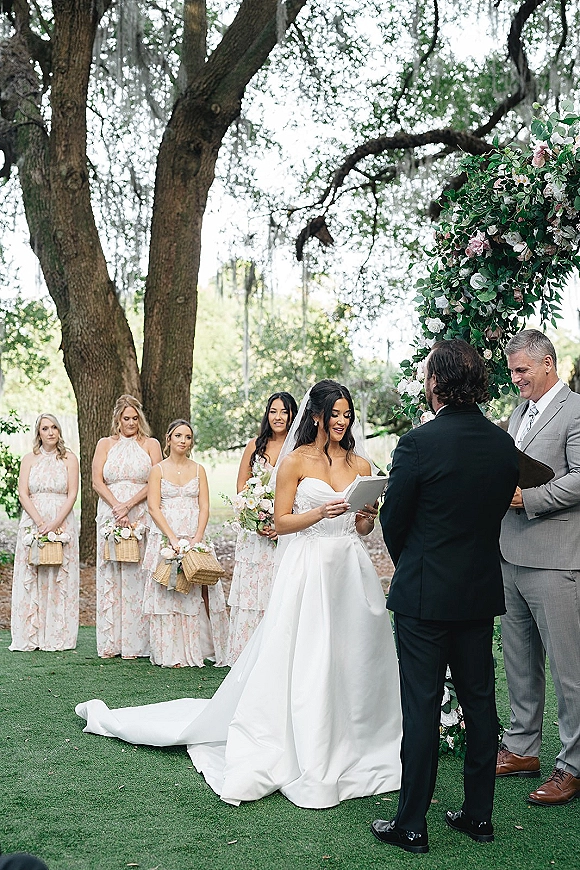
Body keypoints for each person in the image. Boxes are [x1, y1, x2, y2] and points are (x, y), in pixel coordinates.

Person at [76, 379, 402, 809]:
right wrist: (318, 512)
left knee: (354, 655)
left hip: (350, 570)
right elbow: (281, 522)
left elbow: (362, 529)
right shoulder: (296, 462)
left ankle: (358, 739)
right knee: (310, 656)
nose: (342, 421)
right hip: (308, 569)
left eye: (347, 414)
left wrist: (366, 515)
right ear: (318, 416)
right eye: (335, 414)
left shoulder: (361, 465)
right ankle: (308, 742)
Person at [373, 339, 519, 854]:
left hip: (423, 596)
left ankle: (412, 824)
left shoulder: (417, 444)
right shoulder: (504, 446)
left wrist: (414, 563)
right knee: (481, 706)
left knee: (421, 705)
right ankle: (479, 816)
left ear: (436, 381)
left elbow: (394, 522)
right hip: (478, 594)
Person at [496, 329, 580, 806]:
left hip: (557, 558)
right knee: (519, 662)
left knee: (570, 670)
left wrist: (530, 499)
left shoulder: (576, 409)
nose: (516, 379)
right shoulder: (517, 412)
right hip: (511, 554)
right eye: (512, 371)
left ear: (548, 364)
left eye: (522, 370)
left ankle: (572, 766)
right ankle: (523, 748)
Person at [142, 419, 228, 667]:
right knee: (168, 590)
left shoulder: (199, 470)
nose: (183, 441)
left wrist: (197, 538)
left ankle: (199, 649)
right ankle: (170, 652)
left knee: (195, 589)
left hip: (193, 535)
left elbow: (204, 506)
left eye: (188, 437)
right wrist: (172, 538)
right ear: (168, 439)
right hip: (166, 536)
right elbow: (153, 507)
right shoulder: (157, 470)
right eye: (178, 436)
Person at [227, 391, 298, 664]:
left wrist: (280, 524)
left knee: (276, 590)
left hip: (285, 531)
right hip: (254, 534)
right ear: (267, 415)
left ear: (293, 415)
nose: (278, 417)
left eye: (284, 411)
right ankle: (245, 657)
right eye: (273, 411)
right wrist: (255, 517)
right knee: (252, 593)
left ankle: (273, 659)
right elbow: (241, 488)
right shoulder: (254, 445)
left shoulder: (299, 449)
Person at [92, 395, 162, 658]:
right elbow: (98, 481)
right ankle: (112, 642)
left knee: (138, 574)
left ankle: (137, 643)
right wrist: (117, 506)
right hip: (111, 511)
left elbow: (156, 479)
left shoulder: (150, 444)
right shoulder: (105, 444)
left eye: (134, 418)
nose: (130, 423)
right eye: (126, 419)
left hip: (141, 511)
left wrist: (129, 504)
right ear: (118, 420)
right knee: (112, 570)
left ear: (139, 419)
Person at [10, 414, 79, 652]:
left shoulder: (70, 458)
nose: (50, 432)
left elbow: (72, 494)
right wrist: (40, 522)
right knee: (33, 572)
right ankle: (31, 634)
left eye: (54, 428)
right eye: (45, 428)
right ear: (38, 433)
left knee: (59, 575)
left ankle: (57, 635)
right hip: (33, 518)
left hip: (61, 520)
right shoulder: (29, 459)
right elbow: (22, 493)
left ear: (59, 431)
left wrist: (55, 522)